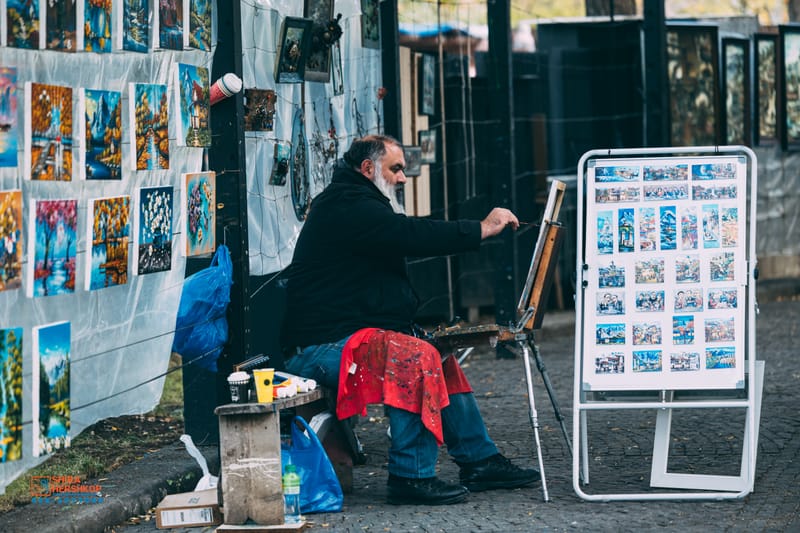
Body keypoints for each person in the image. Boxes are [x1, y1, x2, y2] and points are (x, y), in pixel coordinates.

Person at [281, 134, 538, 506]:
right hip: (319, 347)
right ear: (368, 169)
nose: (403, 177)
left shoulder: (361, 202)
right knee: (414, 358)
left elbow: (403, 238)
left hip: (344, 335)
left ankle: (480, 460)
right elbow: (410, 235)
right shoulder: (347, 204)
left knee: (439, 357)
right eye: (396, 169)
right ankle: (411, 475)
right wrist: (480, 228)